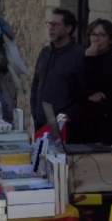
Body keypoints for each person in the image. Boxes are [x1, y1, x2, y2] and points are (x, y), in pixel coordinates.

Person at [30, 8, 84, 143]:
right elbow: (36, 84)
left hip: (65, 128)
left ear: (68, 29)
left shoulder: (79, 56)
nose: (51, 28)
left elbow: (84, 92)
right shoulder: (45, 53)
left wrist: (68, 115)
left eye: (55, 25)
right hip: (40, 123)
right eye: (49, 24)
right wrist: (35, 111)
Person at [80, 18, 112, 146]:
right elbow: (76, 87)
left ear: (110, 39)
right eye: (93, 34)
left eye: (102, 35)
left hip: (104, 126)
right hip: (85, 124)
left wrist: (89, 59)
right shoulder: (84, 57)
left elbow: (89, 86)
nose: (96, 39)